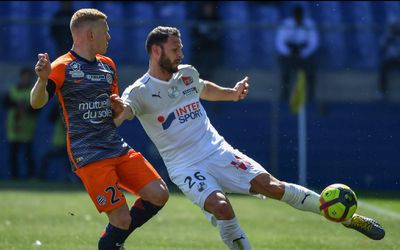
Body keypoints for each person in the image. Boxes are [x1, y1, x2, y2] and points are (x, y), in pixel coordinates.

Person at [112, 26, 385, 249]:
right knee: (222, 208)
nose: (180, 54)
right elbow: (124, 111)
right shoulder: (139, 91)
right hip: (185, 166)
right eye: (175, 49)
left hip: (217, 150)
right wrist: (116, 110)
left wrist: (232, 93)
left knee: (273, 187)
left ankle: (348, 219)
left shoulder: (187, 74)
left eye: (181, 48)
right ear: (156, 50)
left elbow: (203, 88)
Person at [30, 9, 169, 250]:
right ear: (90, 34)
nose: (110, 37)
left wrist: (118, 107)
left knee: (159, 194)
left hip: (114, 145)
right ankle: (112, 242)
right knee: (121, 219)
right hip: (88, 153)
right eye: (106, 31)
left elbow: (114, 108)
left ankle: (113, 242)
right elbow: (36, 102)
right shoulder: (61, 66)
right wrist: (42, 80)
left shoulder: (108, 65)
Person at [275, 5, 319, 102]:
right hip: (289, 52)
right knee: (285, 73)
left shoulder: (309, 24)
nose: (298, 17)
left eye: (299, 15)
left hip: (304, 53)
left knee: (310, 74)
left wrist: (303, 53)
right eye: (296, 15)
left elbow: (314, 42)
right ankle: (285, 96)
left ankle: (310, 97)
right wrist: (289, 52)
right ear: (293, 15)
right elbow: (279, 42)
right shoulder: (286, 24)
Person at [4, 67, 38, 180]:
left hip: (27, 129)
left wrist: (27, 108)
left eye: (28, 77)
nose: (26, 79)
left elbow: (37, 109)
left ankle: (30, 176)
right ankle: (14, 177)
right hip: (13, 128)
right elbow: (5, 103)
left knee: (28, 155)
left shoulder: (33, 91)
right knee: (13, 155)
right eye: (24, 77)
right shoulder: (13, 90)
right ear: (21, 77)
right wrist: (16, 104)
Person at [38, 101, 75, 182]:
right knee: (46, 157)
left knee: (71, 162)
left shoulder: (69, 118)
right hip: (60, 144)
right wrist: (57, 106)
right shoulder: (60, 114)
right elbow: (51, 118)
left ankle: (72, 178)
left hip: (68, 145)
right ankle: (41, 177)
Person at [378, 21, 400, 99]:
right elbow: (381, 46)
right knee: (383, 70)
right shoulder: (387, 37)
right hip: (390, 59)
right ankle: (382, 91)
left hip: (398, 59)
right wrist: (388, 38)